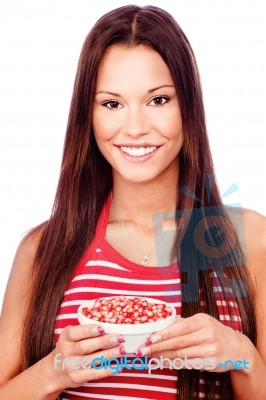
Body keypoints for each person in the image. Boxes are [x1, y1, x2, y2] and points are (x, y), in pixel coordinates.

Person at [0, 4, 265, 400]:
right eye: (112, 104)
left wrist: (239, 354)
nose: (136, 128)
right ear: (87, 116)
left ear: (188, 107)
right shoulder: (45, 247)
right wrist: (55, 372)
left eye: (158, 100)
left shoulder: (247, 237)